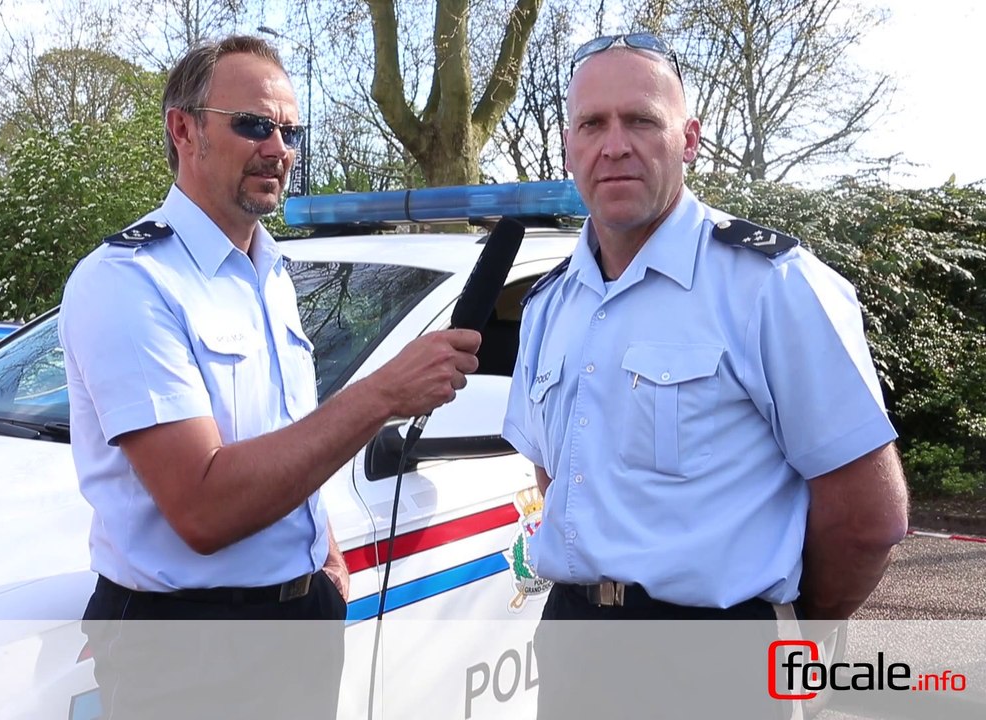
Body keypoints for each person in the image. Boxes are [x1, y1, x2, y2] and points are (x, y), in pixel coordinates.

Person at [58, 35, 480, 720]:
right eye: (253, 124)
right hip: (189, 650)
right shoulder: (131, 282)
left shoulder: (272, 272)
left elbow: (284, 436)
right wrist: (382, 394)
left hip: (298, 618)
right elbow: (202, 508)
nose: (279, 148)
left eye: (290, 130)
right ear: (183, 128)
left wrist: (325, 553)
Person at [501, 34, 908, 718]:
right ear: (568, 147)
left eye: (641, 120)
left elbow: (867, 517)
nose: (615, 145)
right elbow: (555, 474)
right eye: (592, 124)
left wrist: (793, 627)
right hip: (573, 643)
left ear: (688, 139)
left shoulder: (771, 285)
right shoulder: (549, 305)